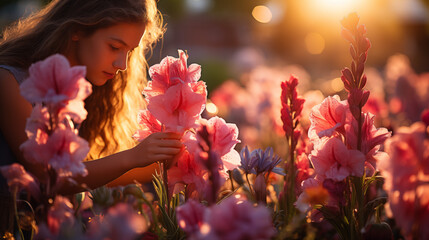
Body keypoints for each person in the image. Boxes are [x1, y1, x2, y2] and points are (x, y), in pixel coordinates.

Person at [0, 0, 183, 232]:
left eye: (130, 52)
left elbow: (88, 172)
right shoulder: (8, 81)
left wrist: (174, 162)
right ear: (77, 30)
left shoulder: (82, 88)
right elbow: (51, 178)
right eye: (115, 47)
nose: (122, 65)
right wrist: (134, 156)